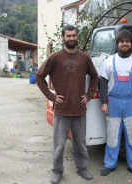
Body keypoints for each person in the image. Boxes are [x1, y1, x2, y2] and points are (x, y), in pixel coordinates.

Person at [35, 24, 98, 184]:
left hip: (79, 110)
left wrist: (89, 94)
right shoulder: (55, 57)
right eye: (68, 36)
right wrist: (51, 96)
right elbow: (39, 76)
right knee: (59, 145)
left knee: (80, 144)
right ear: (63, 37)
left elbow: (95, 76)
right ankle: (57, 171)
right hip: (62, 111)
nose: (71, 38)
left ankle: (82, 168)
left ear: (77, 37)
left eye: (74, 35)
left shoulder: (84, 58)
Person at [99, 29, 132, 178]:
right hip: (112, 103)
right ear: (118, 43)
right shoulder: (109, 61)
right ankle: (109, 164)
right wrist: (103, 102)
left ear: (131, 43)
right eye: (122, 41)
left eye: (127, 41)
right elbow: (103, 83)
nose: (124, 44)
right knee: (112, 136)